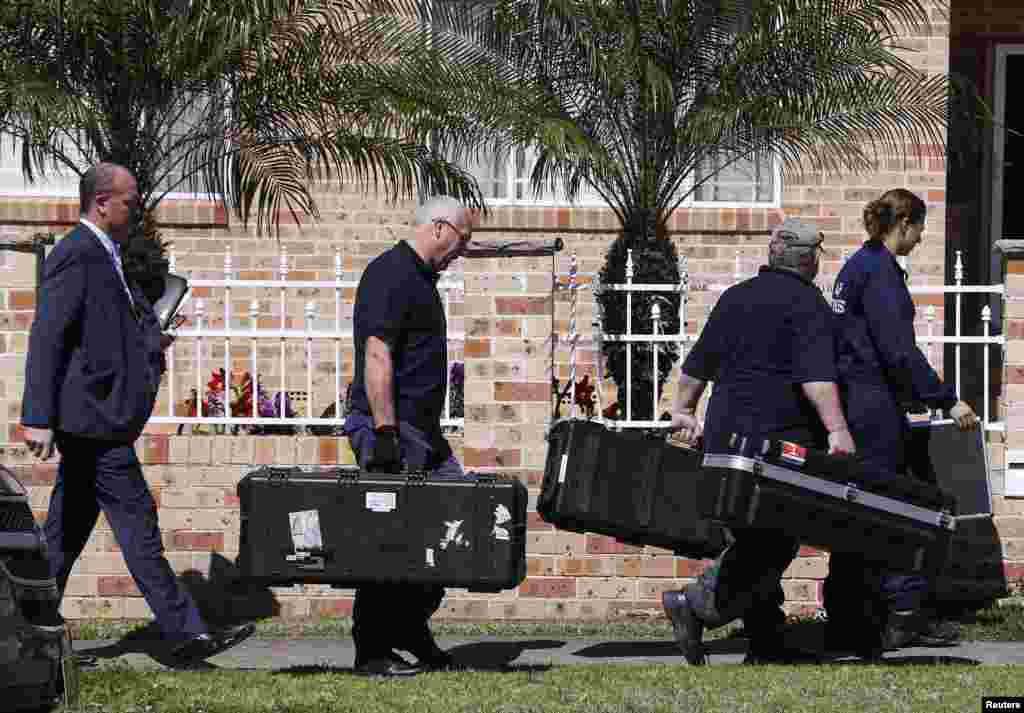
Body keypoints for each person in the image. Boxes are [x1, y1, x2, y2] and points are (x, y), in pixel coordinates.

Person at [21, 163, 254, 666]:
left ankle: (28, 632)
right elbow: (48, 337)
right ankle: (187, 634)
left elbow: (108, 329)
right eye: (130, 201)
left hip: (98, 418)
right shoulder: (76, 255)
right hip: (93, 420)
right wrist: (36, 415)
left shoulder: (109, 256)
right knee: (138, 525)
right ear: (101, 202)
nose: (138, 209)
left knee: (63, 535)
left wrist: (152, 340)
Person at [661, 217, 856, 665]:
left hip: (726, 444)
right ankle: (695, 604)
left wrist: (685, 410)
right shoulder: (808, 305)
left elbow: (697, 366)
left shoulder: (736, 297)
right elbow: (816, 379)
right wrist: (838, 430)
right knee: (776, 537)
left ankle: (766, 638)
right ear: (810, 260)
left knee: (752, 536)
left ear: (772, 254)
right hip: (777, 446)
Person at [823, 188, 978, 655]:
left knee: (857, 513)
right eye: (920, 226)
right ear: (904, 223)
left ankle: (852, 612)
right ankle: (899, 615)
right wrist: (946, 400)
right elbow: (897, 351)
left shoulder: (856, 268)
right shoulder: (881, 275)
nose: (922, 236)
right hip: (874, 407)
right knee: (894, 513)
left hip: (857, 402)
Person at [342, 195, 473, 677]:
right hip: (393, 431)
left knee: (454, 528)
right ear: (440, 228)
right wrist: (385, 431)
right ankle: (373, 650)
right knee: (389, 543)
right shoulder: (391, 274)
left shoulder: (421, 279)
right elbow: (378, 355)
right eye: (462, 241)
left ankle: (410, 630)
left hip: (424, 435)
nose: (462, 252)